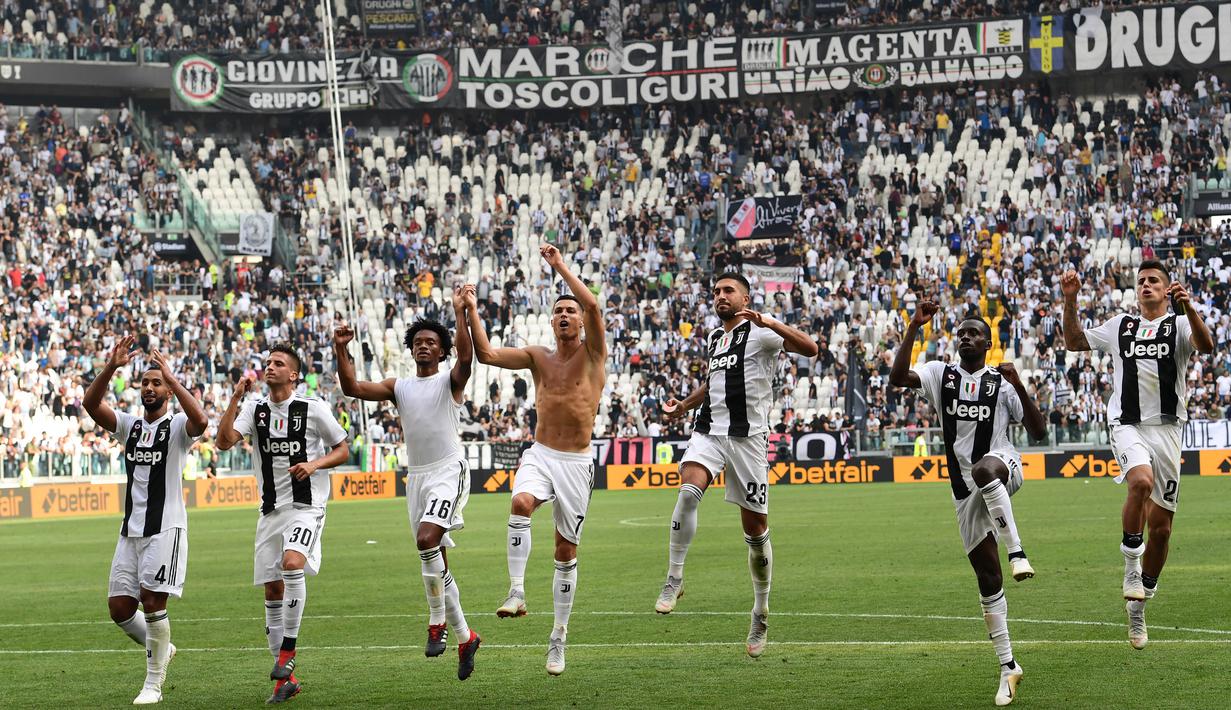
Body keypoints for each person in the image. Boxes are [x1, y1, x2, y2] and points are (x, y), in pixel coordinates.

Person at [889, 301, 1046, 707]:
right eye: (961, 331)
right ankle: (1008, 667)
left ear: (988, 342)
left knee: (983, 470)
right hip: (963, 491)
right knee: (987, 580)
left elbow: (1039, 432)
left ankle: (1019, 551)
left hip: (1002, 464)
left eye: (974, 332)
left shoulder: (1002, 381)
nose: (965, 336)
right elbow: (897, 377)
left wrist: (1020, 384)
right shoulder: (941, 374)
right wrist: (914, 327)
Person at [655, 272, 819, 658]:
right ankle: (674, 577)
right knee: (688, 494)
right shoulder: (716, 338)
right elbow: (713, 382)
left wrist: (773, 322)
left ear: (745, 297)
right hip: (709, 431)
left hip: (747, 440)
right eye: (716, 291)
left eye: (728, 290)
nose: (720, 296)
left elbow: (810, 349)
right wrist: (684, 405)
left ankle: (760, 610)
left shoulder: (761, 332)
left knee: (756, 531)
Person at [463, 244, 606, 676]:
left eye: (571, 310)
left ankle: (558, 638)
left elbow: (595, 303)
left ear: (580, 320)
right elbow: (486, 354)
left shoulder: (595, 353)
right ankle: (517, 591)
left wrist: (559, 266)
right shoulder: (537, 357)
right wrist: (471, 308)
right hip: (540, 453)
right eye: (558, 311)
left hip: (577, 463)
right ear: (551, 320)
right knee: (520, 503)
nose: (565, 315)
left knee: (565, 551)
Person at [1061, 262, 1213, 649]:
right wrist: (1070, 298)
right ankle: (1131, 568)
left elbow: (1206, 346)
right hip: (1127, 423)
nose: (1146, 285)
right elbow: (1075, 340)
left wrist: (1189, 308)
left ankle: (1139, 605)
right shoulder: (1120, 326)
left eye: (1153, 281)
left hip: (1167, 429)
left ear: (1166, 291)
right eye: (1141, 281)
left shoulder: (1179, 325)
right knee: (1140, 482)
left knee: (1161, 530)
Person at [333, 285, 481, 681]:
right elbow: (352, 389)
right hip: (417, 478)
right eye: (418, 342)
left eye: (432, 342)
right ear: (410, 348)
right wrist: (342, 349)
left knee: (426, 540)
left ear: (442, 350)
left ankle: (437, 623)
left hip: (448, 470)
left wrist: (461, 313)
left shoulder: (450, 381)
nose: (424, 346)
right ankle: (466, 637)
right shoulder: (399, 386)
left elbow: (467, 357)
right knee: (435, 559)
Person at [216, 344, 349, 704]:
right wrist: (234, 399)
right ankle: (283, 681)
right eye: (267, 362)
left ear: (294, 375)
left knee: (293, 563)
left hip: (306, 506)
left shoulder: (313, 408)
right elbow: (223, 441)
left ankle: (288, 653)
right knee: (272, 591)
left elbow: (343, 448)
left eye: (278, 364)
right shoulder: (254, 408)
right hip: (270, 511)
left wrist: (315, 465)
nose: (269, 367)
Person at [83, 339, 207, 705]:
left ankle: (153, 684)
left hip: (165, 528)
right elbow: (90, 405)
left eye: (157, 383)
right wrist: (111, 366)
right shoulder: (130, 426)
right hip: (130, 530)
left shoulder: (179, 426)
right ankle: (162, 648)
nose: (150, 388)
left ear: (167, 390)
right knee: (120, 609)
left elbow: (201, 421)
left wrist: (172, 375)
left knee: (153, 602)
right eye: (145, 383)